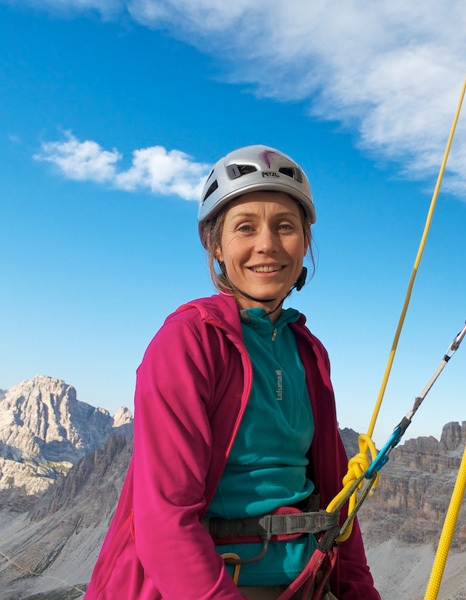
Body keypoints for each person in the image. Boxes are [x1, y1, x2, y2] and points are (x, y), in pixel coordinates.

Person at [85, 145, 380, 599]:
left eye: (286, 227)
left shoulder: (307, 351)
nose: (268, 244)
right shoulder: (189, 341)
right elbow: (165, 519)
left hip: (306, 584)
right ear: (217, 246)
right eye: (246, 228)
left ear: (304, 243)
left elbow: (337, 509)